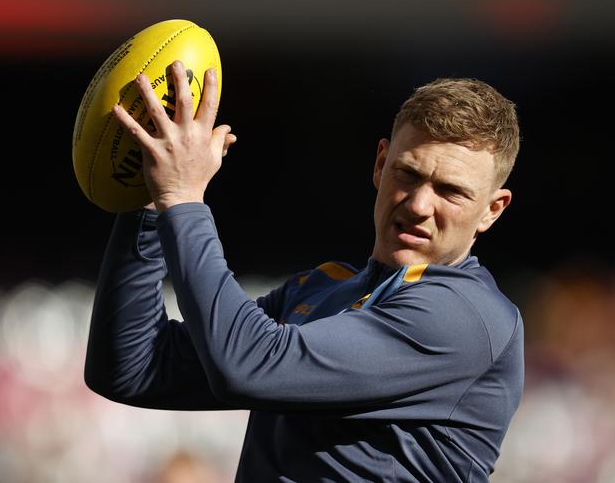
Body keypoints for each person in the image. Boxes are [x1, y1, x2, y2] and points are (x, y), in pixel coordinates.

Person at [84, 60, 524, 482]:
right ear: (380, 164)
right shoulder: (321, 289)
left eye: (451, 191)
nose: (419, 205)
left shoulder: (467, 318)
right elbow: (132, 367)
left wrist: (181, 199)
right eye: (408, 175)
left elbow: (246, 365)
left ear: (492, 210)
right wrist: (148, 200)